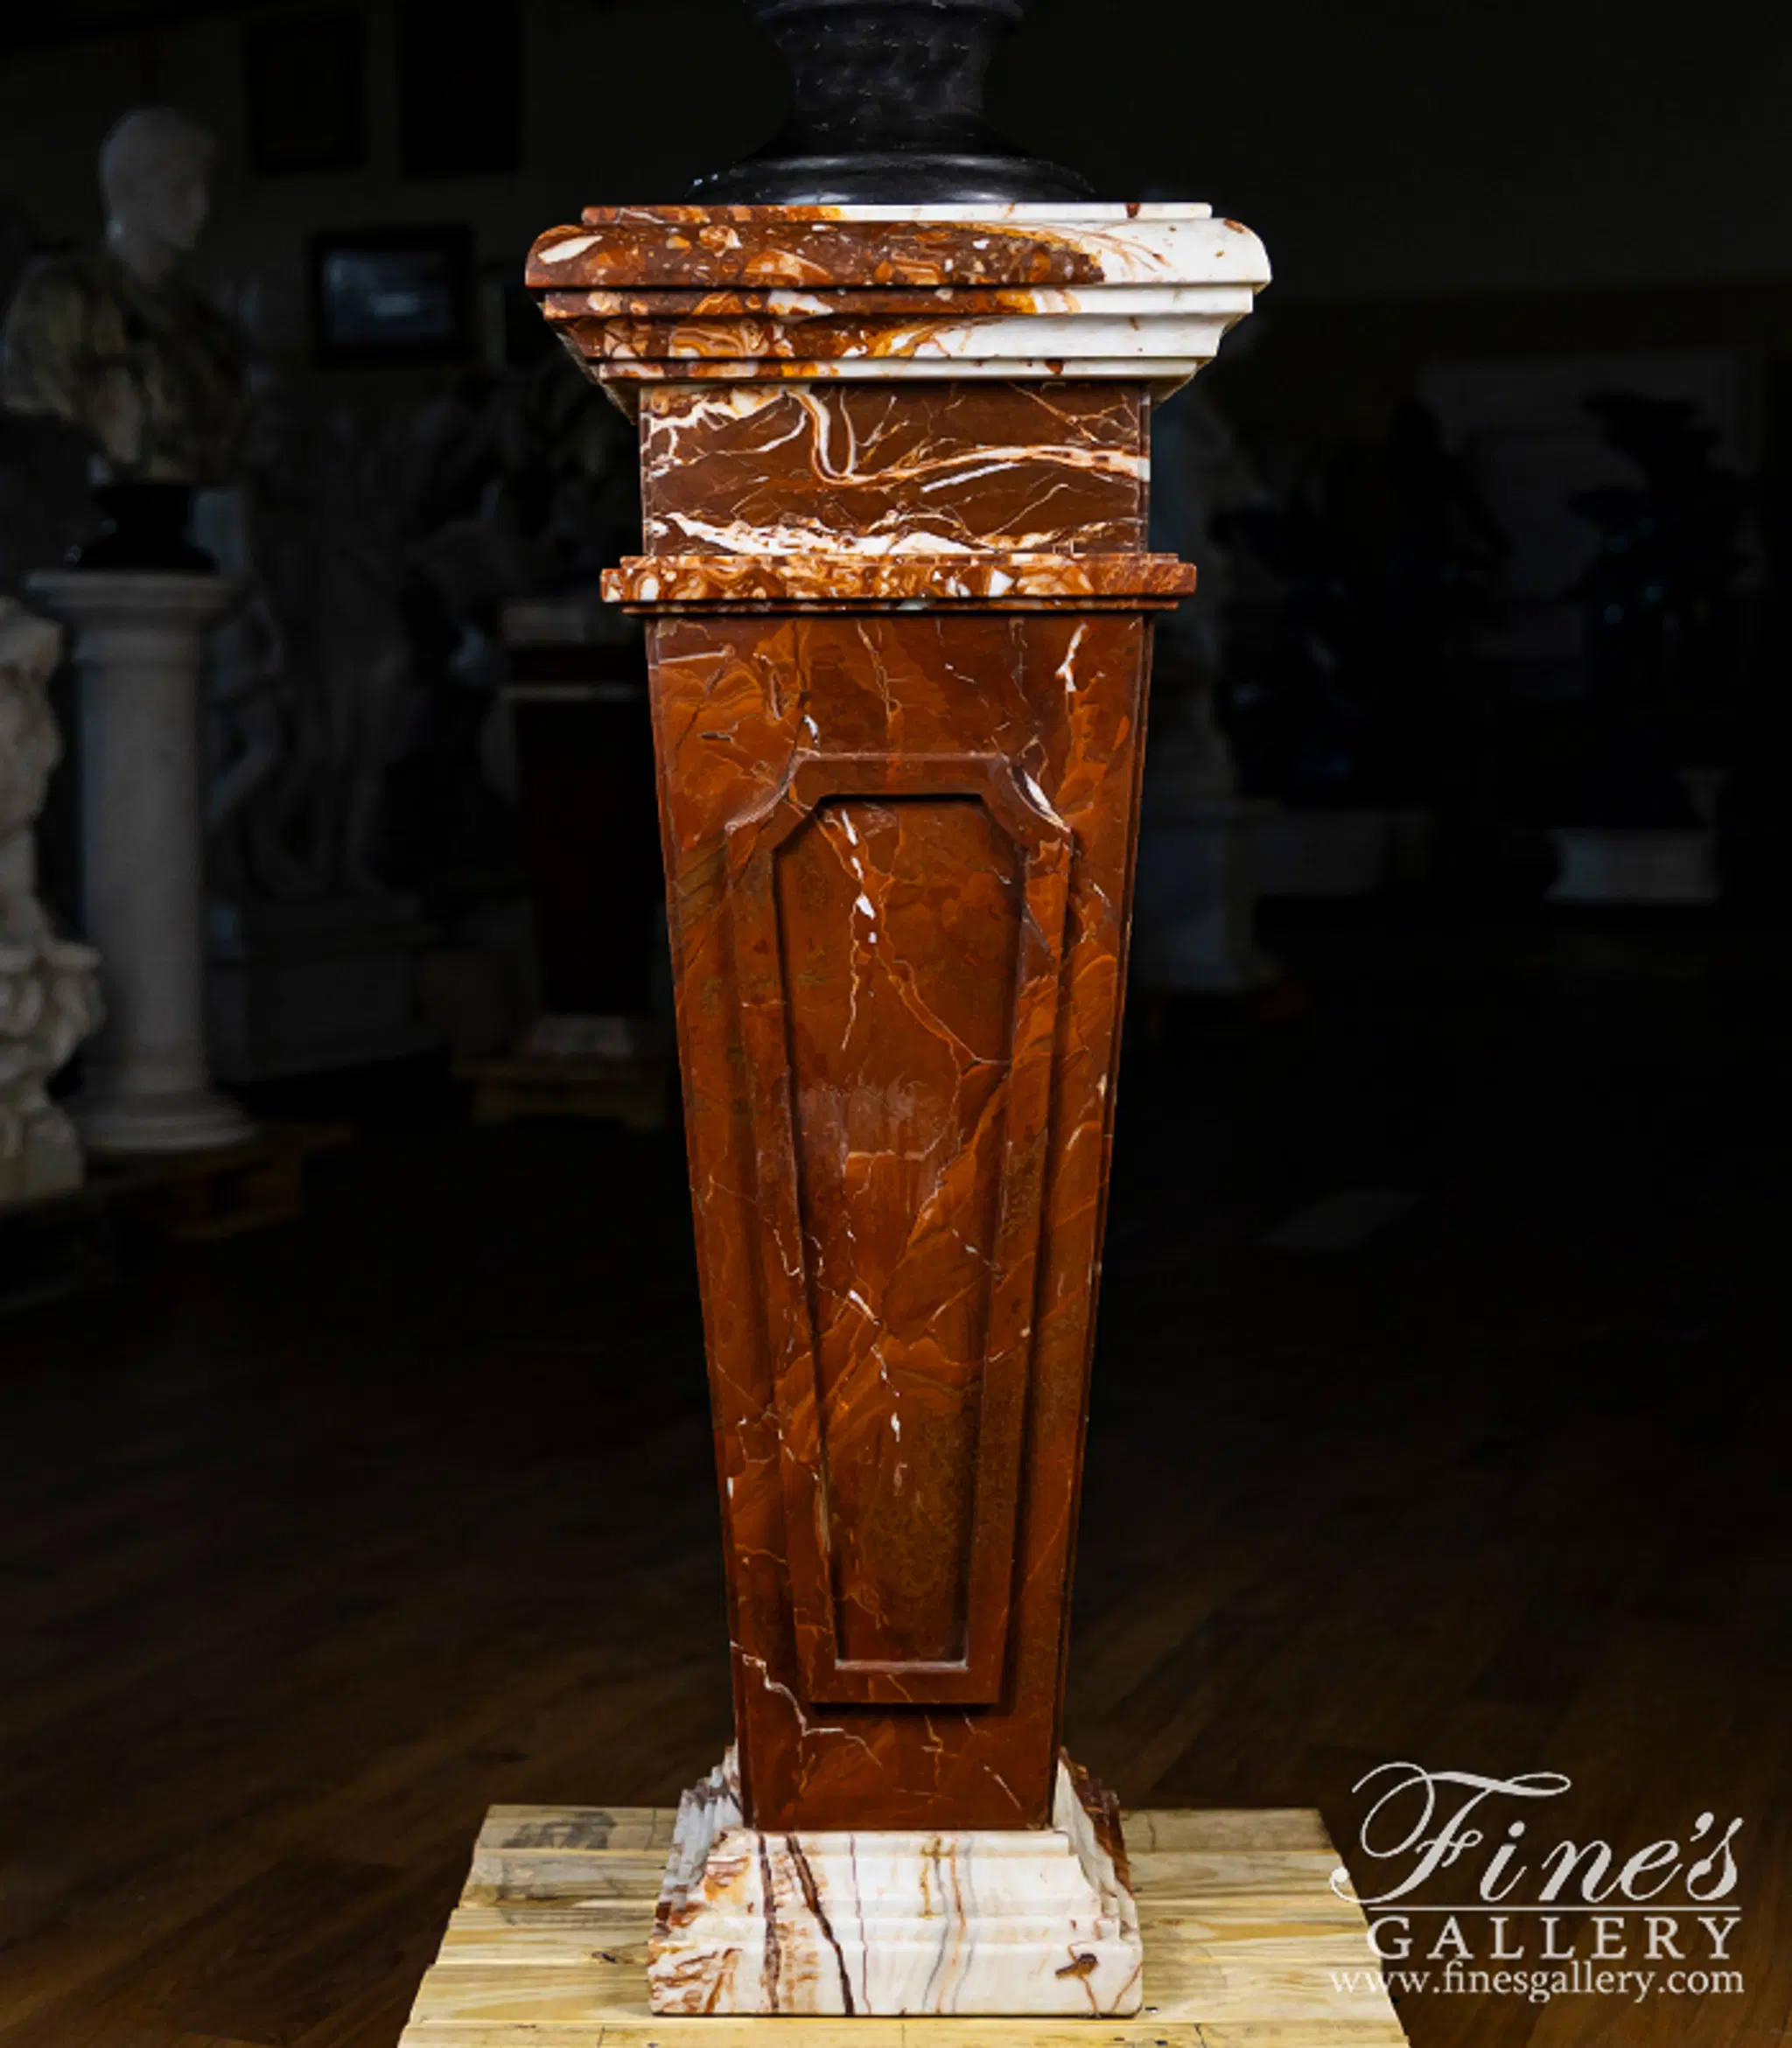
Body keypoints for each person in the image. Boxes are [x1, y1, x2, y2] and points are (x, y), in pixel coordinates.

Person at [1, 107, 244, 486]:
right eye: (181, 186)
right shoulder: (63, 299)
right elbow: (31, 445)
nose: (203, 206)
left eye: (206, 186)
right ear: (128, 188)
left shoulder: (204, 324)